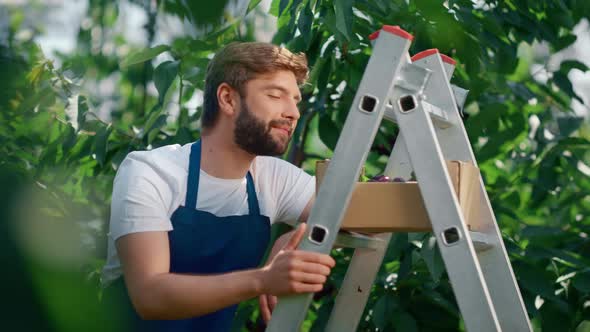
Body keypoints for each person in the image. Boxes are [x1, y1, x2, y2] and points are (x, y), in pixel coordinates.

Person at [101, 41, 336, 331]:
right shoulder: (151, 172)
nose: (293, 112)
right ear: (228, 99)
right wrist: (263, 279)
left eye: (296, 100)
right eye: (276, 95)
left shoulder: (273, 178)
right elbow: (150, 296)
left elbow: (355, 215)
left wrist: (291, 238)